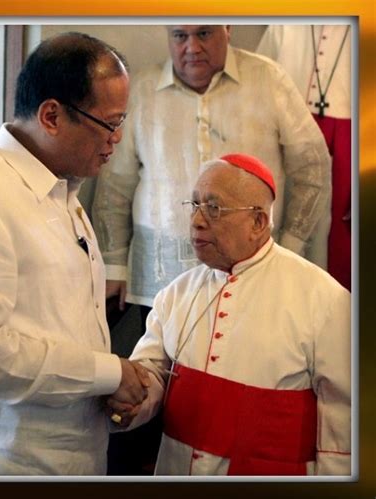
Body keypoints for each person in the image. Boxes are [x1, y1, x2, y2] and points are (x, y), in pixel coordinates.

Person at [0, 32, 151, 476]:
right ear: (51, 115)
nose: (118, 138)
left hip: (71, 458)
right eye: (109, 123)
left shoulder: (62, 191)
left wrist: (110, 392)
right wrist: (109, 374)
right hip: (8, 463)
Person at [106, 153, 351, 476]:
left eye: (214, 208)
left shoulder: (325, 300)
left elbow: (345, 416)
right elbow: (152, 373)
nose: (196, 220)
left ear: (258, 222)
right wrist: (130, 400)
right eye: (194, 205)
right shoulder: (177, 293)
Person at [92, 24, 331, 315]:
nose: (192, 48)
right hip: (161, 279)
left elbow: (313, 167)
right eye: (180, 36)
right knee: (161, 361)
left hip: (252, 273)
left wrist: (290, 247)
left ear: (227, 29)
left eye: (204, 34)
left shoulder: (268, 79)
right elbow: (115, 185)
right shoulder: (141, 89)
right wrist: (114, 264)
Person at [256, 24, 352, 291]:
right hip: (287, 137)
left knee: (340, 250)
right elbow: (258, 85)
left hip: (353, 144)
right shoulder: (285, 23)